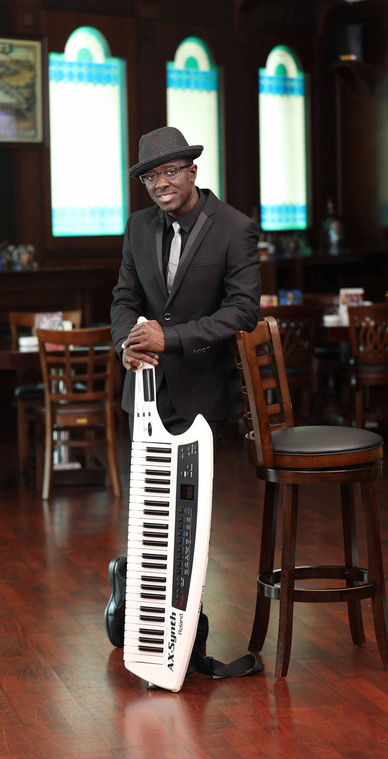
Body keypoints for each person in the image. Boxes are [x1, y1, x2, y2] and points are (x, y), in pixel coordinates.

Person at [105, 126, 261, 651]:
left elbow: (242, 311)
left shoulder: (234, 228)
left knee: (188, 515)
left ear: (193, 171)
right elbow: (124, 298)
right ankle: (138, 599)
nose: (160, 184)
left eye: (170, 171)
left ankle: (183, 627)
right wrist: (126, 344)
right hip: (145, 390)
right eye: (150, 176)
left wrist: (169, 338)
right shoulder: (137, 226)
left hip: (202, 394)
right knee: (149, 507)